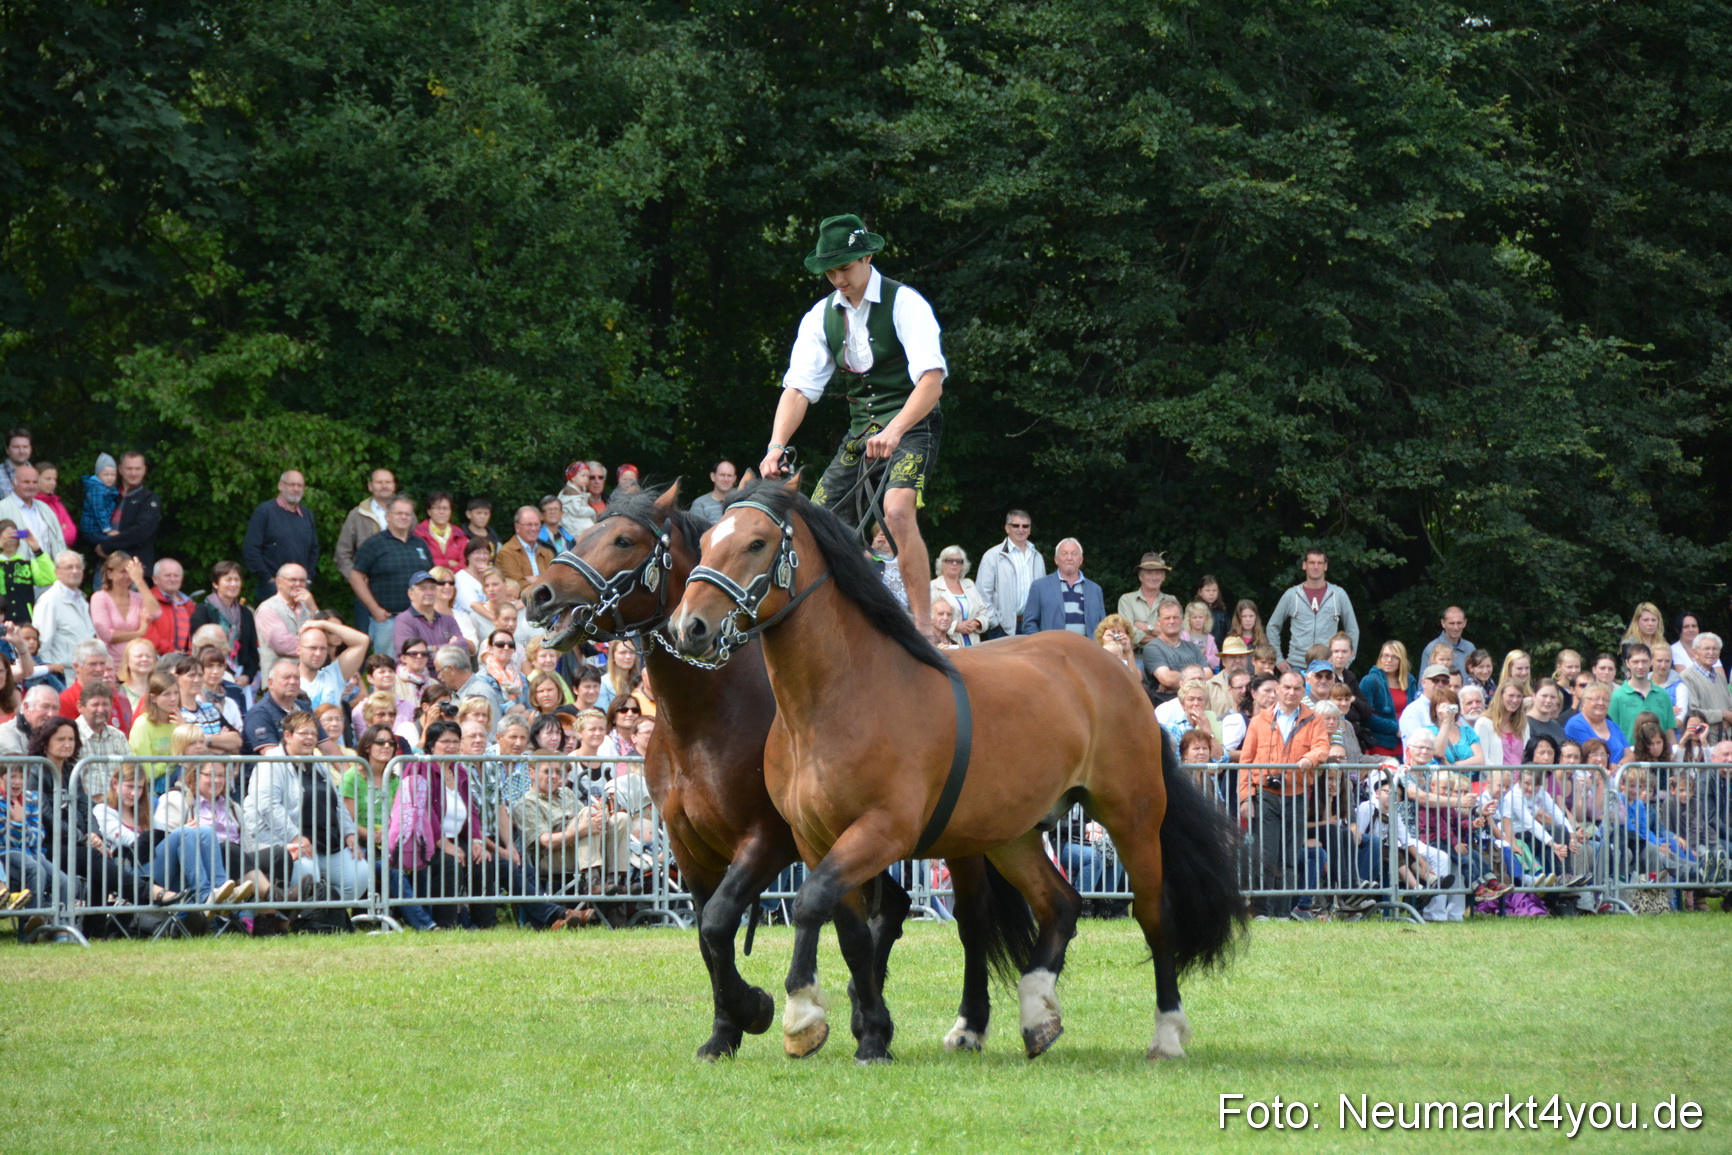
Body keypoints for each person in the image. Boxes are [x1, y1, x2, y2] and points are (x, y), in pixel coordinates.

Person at [760, 213, 950, 642]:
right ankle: (832, 620)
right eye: (830, 271)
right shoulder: (820, 317)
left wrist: (897, 428)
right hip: (861, 434)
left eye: (844, 267)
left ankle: (923, 628)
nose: (837, 279)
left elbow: (931, 383)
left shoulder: (905, 303)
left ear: (867, 257)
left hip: (913, 425)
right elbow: (798, 390)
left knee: (898, 512)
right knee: (813, 523)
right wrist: (776, 445)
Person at [243, 709, 368, 902]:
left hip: (326, 842)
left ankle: (329, 916)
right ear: (287, 736)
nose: (310, 738)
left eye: (314, 733)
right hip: (285, 842)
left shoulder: (317, 764)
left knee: (360, 871)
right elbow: (268, 807)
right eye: (304, 733)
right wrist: (295, 836)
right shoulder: (270, 764)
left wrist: (349, 832)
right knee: (308, 874)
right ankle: (306, 916)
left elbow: (336, 804)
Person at [1237, 670, 1331, 918]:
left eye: (1297, 689)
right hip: (1265, 795)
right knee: (1265, 855)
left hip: (1298, 794)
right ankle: (1261, 911)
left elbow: (1323, 746)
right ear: (1278, 689)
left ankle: (1283, 912)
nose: (1291, 693)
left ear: (1303, 692)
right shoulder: (1259, 721)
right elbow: (1245, 762)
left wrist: (1310, 758)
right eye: (1287, 688)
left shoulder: (1314, 720)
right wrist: (1246, 798)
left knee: (1289, 856)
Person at [388, 719, 494, 929]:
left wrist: (476, 839)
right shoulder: (420, 767)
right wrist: (442, 843)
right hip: (426, 841)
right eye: (445, 741)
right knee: (448, 863)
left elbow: (470, 809)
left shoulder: (460, 770)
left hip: (456, 838)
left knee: (482, 861)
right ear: (432, 744)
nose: (452, 746)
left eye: (455, 741)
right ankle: (447, 924)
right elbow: (424, 810)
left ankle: (485, 924)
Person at [349, 496, 433, 656]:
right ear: (388, 517)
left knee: (419, 665)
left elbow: (431, 577)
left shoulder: (420, 544)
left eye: (408, 514)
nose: (404, 517)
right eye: (399, 513)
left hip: (420, 618)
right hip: (388, 620)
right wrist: (374, 609)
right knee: (387, 668)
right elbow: (356, 577)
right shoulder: (374, 544)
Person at [1266, 549, 1360, 668]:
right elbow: (1272, 626)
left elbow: (1353, 630)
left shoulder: (1338, 595)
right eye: (1311, 563)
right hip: (1296, 666)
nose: (1316, 567)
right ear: (1304, 565)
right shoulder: (1291, 595)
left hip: (1328, 665)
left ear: (1325, 566)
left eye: (1320, 563)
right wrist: (1278, 659)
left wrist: (1346, 662)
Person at [241, 471, 319, 600]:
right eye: (292, 485)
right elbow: (251, 549)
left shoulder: (306, 515)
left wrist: (308, 579)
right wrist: (269, 580)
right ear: (280, 486)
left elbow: (313, 549)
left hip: (301, 589)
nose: (296, 489)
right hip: (272, 589)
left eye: (300, 486)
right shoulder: (264, 512)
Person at [242, 659, 340, 758]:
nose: (293, 682)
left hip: (303, 771)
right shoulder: (259, 713)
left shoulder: (304, 707)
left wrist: (349, 772)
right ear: (270, 683)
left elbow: (327, 747)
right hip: (271, 772)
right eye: (286, 677)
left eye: (297, 678)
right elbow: (273, 756)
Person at [187, 560, 259, 688]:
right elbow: (198, 648)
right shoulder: (203, 610)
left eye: (236, 580)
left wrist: (247, 676)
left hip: (240, 677)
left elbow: (252, 651)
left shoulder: (246, 614)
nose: (233, 584)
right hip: (212, 676)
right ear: (215, 584)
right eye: (228, 580)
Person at [974, 510, 1043, 641]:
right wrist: (995, 623)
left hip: (1031, 627)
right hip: (1002, 629)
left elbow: (1042, 592)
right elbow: (982, 593)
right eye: (1016, 525)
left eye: (1025, 526)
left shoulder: (1037, 557)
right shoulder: (993, 556)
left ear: (1030, 530)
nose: (1021, 529)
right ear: (1007, 528)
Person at [1019, 537, 1104, 638]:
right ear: (1056, 559)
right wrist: (1041, 646)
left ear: (1081, 560)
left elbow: (1103, 626)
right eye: (1064, 553)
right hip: (1052, 650)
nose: (1069, 558)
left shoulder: (1095, 590)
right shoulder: (1039, 587)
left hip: (1087, 651)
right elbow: (1029, 624)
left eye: (1074, 553)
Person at [334, 468, 397, 597]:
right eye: (379, 482)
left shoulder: (407, 515)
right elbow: (342, 553)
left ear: (394, 485)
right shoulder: (356, 515)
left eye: (388, 482)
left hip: (400, 588)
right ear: (370, 486)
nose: (384, 486)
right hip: (367, 590)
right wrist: (357, 580)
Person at [90, 551, 160, 667]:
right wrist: (139, 632)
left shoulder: (137, 598)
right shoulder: (100, 598)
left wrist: (139, 581)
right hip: (110, 665)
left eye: (130, 572)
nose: (128, 576)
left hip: (135, 665)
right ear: (110, 574)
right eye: (123, 572)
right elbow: (107, 635)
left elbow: (156, 613)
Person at [32, 552, 95, 679]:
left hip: (83, 674)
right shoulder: (49, 601)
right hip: (62, 675)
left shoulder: (82, 600)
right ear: (57, 572)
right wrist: (49, 674)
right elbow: (42, 642)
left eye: (78, 567)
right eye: (69, 567)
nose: (75, 571)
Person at [96, 451, 161, 573]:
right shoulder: (109, 497)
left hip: (135, 569)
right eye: (129, 468)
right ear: (120, 470)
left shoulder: (149, 499)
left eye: (137, 469)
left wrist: (106, 545)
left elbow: (141, 531)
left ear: (144, 470)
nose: (133, 473)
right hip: (105, 567)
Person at [0, 463, 66, 581]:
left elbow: (59, 543)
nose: (31, 486)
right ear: (14, 483)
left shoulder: (45, 509)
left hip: (49, 576)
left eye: (34, 482)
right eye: (26, 482)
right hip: (15, 580)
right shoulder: (2, 508)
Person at [255, 563, 318, 674]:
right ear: (278, 582)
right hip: (279, 680)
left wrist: (313, 607)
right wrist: (316, 646)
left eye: (302, 580)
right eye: (293, 580)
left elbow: (327, 635)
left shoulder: (308, 606)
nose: (298, 584)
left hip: (309, 678)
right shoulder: (268, 608)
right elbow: (283, 645)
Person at [296, 618, 370, 712]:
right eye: (312, 648)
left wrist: (323, 624)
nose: (318, 653)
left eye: (323, 648)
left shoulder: (333, 675)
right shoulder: (289, 681)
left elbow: (363, 640)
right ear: (298, 650)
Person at [1138, 595, 1203, 702]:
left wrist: (1176, 687)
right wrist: (1198, 679)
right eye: (1167, 618)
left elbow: (1209, 675)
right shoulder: (1152, 648)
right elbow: (1167, 679)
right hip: (1165, 707)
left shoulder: (1193, 647)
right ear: (1159, 622)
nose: (1172, 621)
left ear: (1182, 620)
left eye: (1175, 617)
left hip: (1196, 704)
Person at [1609, 643, 1676, 743]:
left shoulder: (1663, 695)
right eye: (1635, 662)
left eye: (1644, 661)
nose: (1640, 666)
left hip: (1659, 756)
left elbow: (1670, 733)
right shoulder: (1617, 696)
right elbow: (1612, 734)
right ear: (1627, 663)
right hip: (1631, 756)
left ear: (1651, 662)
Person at [394, 571, 469, 659]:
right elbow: (412, 654)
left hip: (447, 671)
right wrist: (450, 648)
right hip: (419, 672)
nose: (429, 593)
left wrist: (433, 649)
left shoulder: (448, 620)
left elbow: (463, 647)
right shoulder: (404, 620)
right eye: (423, 588)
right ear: (410, 594)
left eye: (433, 588)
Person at [929, 545, 992, 646]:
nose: (954, 563)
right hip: (946, 644)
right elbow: (928, 619)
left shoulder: (969, 584)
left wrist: (977, 622)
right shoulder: (933, 586)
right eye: (949, 560)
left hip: (974, 643)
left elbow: (984, 612)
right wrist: (956, 626)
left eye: (959, 561)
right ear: (941, 563)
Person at [1677, 632, 1730, 741]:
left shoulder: (1720, 677)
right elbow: (1693, 712)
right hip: (1703, 740)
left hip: (1725, 739)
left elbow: (1729, 705)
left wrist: (1727, 719)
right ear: (1695, 653)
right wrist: (1723, 714)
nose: (1711, 652)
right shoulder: (1687, 677)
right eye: (1706, 649)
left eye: (1715, 649)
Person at [1116, 552, 1172, 651]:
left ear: (1163, 577)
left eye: (1158, 573)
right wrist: (1163, 635)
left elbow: (1176, 632)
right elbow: (1128, 632)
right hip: (1137, 656)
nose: (1154, 578)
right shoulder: (1126, 600)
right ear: (1141, 577)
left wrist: (1146, 627)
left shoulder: (1171, 601)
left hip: (1167, 654)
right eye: (1149, 573)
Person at [1563, 682, 1629, 766]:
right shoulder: (1575, 725)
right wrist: (1610, 767)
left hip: (1616, 775)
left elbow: (1629, 754)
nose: (1601, 703)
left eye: (1605, 700)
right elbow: (1592, 756)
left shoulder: (1614, 726)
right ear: (1583, 702)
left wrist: (1619, 766)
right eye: (1596, 699)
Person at [143, 557, 196, 657]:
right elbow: (147, 634)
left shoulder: (189, 604)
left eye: (176, 576)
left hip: (187, 662)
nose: (172, 579)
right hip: (158, 661)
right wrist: (171, 653)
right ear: (155, 579)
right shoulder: (147, 600)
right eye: (167, 575)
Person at [1397, 663, 1454, 755]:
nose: (1440, 684)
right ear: (1423, 683)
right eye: (1435, 680)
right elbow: (1419, 748)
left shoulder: (1452, 708)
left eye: (1445, 681)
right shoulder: (1413, 711)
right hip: (1422, 766)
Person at [495, 506, 554, 588]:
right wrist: (543, 580)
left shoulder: (547, 553)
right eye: (529, 525)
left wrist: (534, 579)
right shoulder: (506, 552)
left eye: (537, 524)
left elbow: (555, 581)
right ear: (517, 527)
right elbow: (516, 585)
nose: (534, 529)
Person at [413, 491, 470, 573]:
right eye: (437, 508)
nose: (441, 512)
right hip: (428, 581)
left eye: (445, 508)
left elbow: (465, 563)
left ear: (451, 512)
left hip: (455, 581)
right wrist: (448, 563)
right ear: (429, 512)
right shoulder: (419, 533)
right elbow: (420, 561)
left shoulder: (459, 534)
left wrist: (447, 575)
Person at [80, 453, 120, 548]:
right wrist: (107, 529)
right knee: (117, 543)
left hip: (98, 529)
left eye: (113, 475)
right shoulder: (97, 489)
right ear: (98, 475)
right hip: (92, 530)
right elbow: (99, 510)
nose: (110, 478)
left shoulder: (108, 488)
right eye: (105, 474)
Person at [1425, 606, 1475, 675]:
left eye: (1459, 623)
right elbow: (1423, 683)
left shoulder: (1470, 648)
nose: (1456, 627)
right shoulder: (1432, 648)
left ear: (1465, 623)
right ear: (1443, 623)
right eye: (1451, 623)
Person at [557, 462, 598, 543]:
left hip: (579, 517)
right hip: (571, 520)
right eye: (583, 476)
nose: (586, 479)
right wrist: (591, 511)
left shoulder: (581, 489)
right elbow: (577, 510)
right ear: (573, 477)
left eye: (587, 476)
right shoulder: (570, 493)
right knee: (589, 530)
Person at [1181, 601, 1220, 673]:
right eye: (1194, 617)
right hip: (1187, 672)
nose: (1197, 620)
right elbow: (1179, 655)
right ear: (1189, 620)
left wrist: (1205, 658)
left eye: (1200, 617)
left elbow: (1216, 660)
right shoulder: (1183, 636)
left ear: (1206, 619)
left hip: (1206, 673)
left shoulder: (1210, 638)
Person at [0, 428, 31, 501]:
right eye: (16, 447)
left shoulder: (40, 474)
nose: (21, 451)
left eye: (25, 447)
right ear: (7, 450)